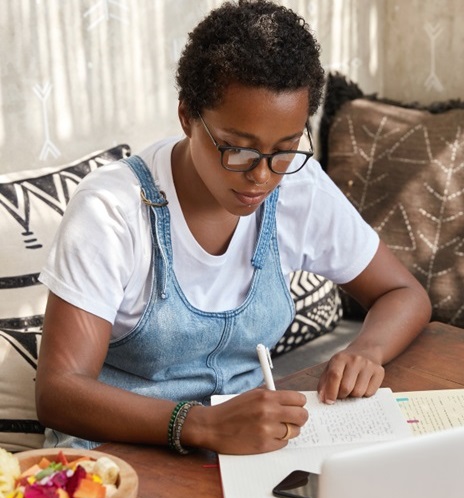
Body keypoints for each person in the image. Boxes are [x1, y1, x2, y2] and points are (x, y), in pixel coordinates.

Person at [35, 0, 431, 455]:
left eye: (285, 149)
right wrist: (201, 425)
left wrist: (367, 350)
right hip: (115, 455)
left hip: (236, 451)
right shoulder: (113, 210)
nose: (261, 176)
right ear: (188, 116)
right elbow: (58, 392)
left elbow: (403, 293)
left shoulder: (298, 187)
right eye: (238, 149)